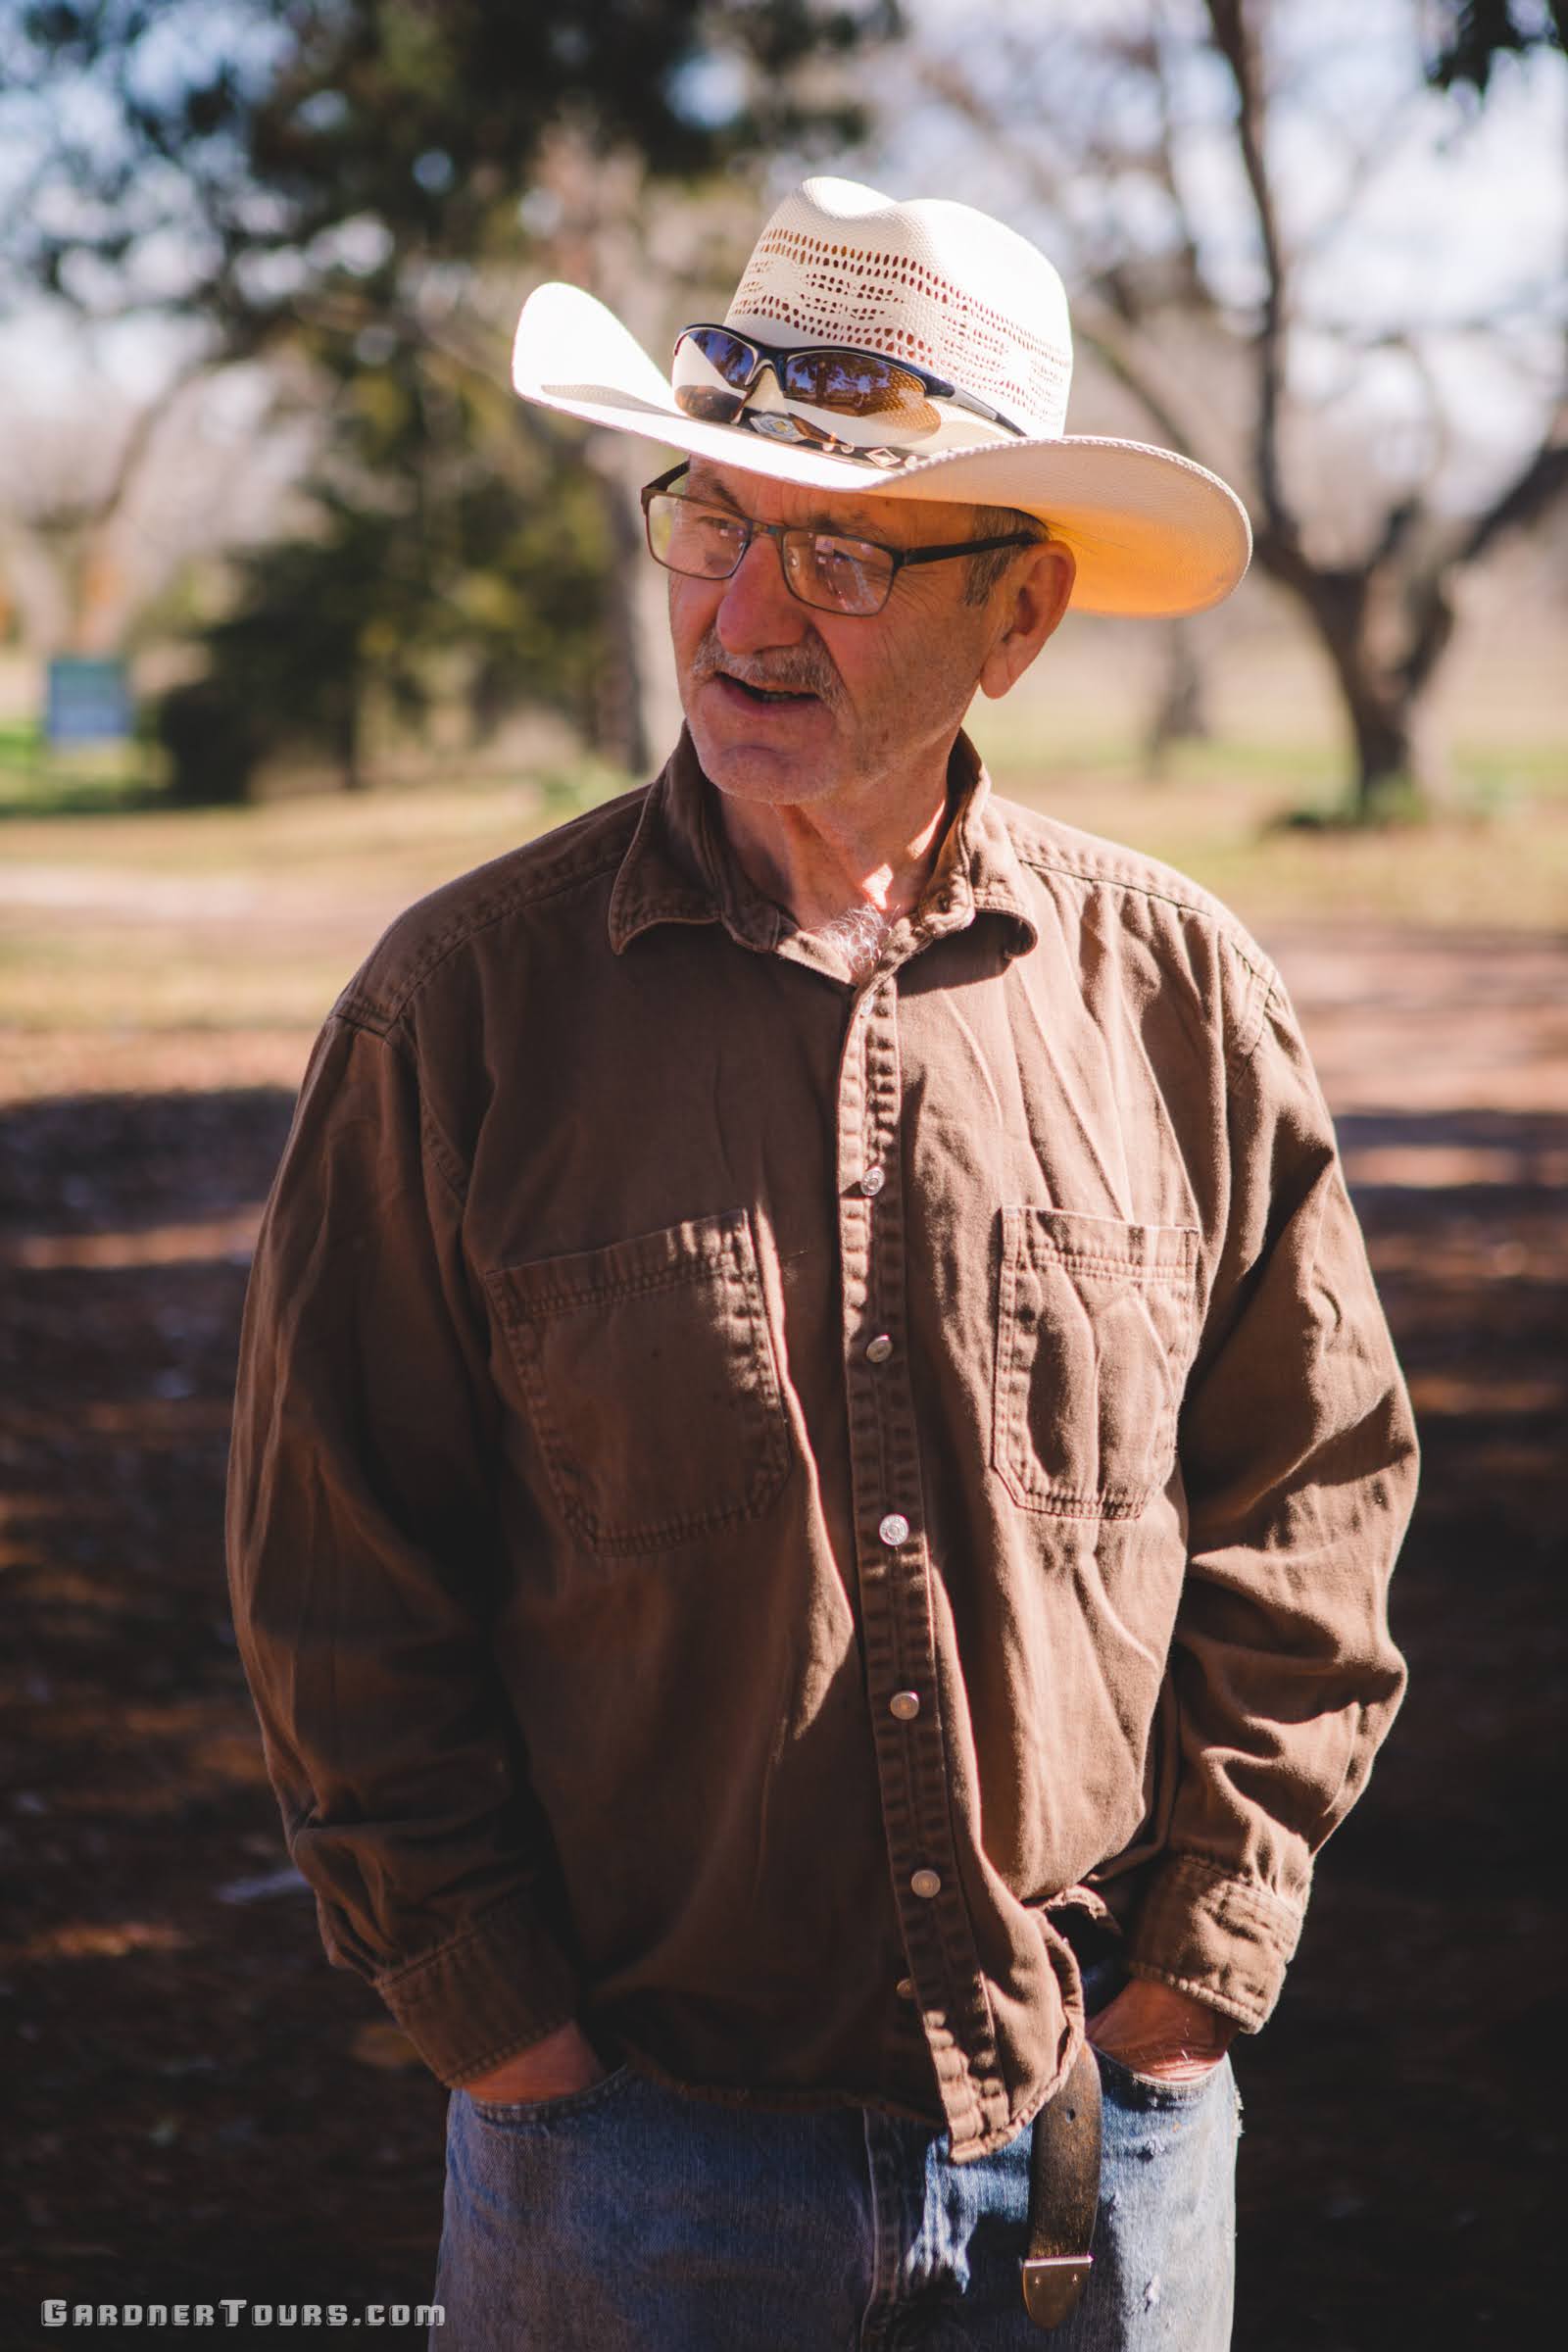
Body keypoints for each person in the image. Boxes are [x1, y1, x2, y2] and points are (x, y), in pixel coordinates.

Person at [226, 177, 1417, 2350]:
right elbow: (339, 1573)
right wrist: (508, 2044)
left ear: (1021, 615)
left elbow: (1306, 1498)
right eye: (713, 521)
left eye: (844, 553)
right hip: (632, 2169)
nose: (745, 614)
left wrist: (1187, 1983)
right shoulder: (461, 1010)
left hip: (1098, 2147)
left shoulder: (1176, 997)